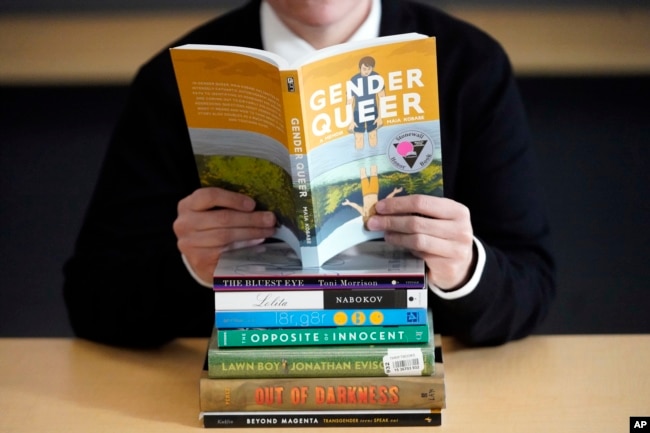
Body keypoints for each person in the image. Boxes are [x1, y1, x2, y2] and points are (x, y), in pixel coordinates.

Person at [63, 0, 555, 348]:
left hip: (408, 372)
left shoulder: (470, 65)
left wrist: (463, 267)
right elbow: (91, 301)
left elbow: (532, 285)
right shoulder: (172, 80)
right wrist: (192, 268)